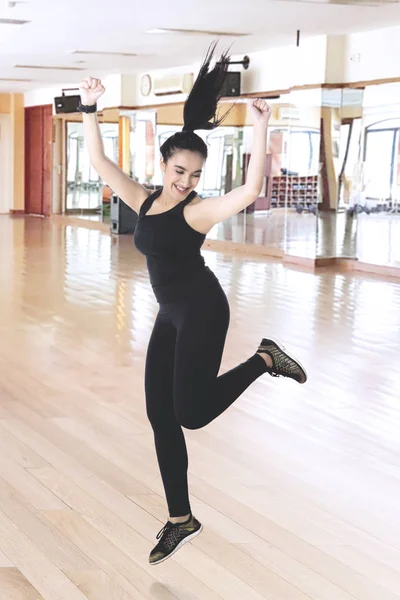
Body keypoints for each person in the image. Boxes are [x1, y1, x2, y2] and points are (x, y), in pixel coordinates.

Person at [79, 42, 307, 567]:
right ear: (164, 165)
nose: (186, 182)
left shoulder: (198, 212)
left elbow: (250, 189)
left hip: (203, 309)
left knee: (191, 413)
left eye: (195, 175)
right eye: (179, 171)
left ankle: (265, 359)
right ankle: (182, 518)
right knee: (161, 415)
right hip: (171, 314)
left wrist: (260, 125)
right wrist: (91, 107)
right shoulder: (145, 199)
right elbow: (97, 160)